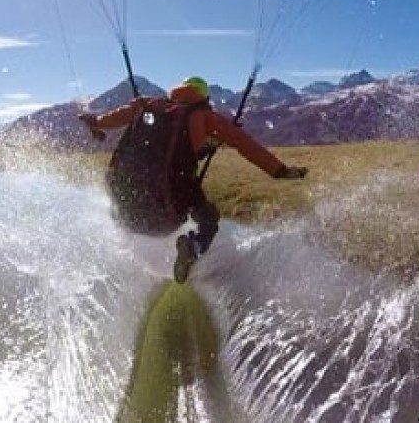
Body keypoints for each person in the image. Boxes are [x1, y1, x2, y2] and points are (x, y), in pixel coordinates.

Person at [79, 75, 308, 283]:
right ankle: (194, 246)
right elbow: (245, 145)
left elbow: (107, 119)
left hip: (124, 204)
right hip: (167, 209)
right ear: (204, 96)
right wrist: (279, 170)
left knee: (124, 203)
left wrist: (94, 123)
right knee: (208, 218)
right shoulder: (206, 117)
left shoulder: (147, 104)